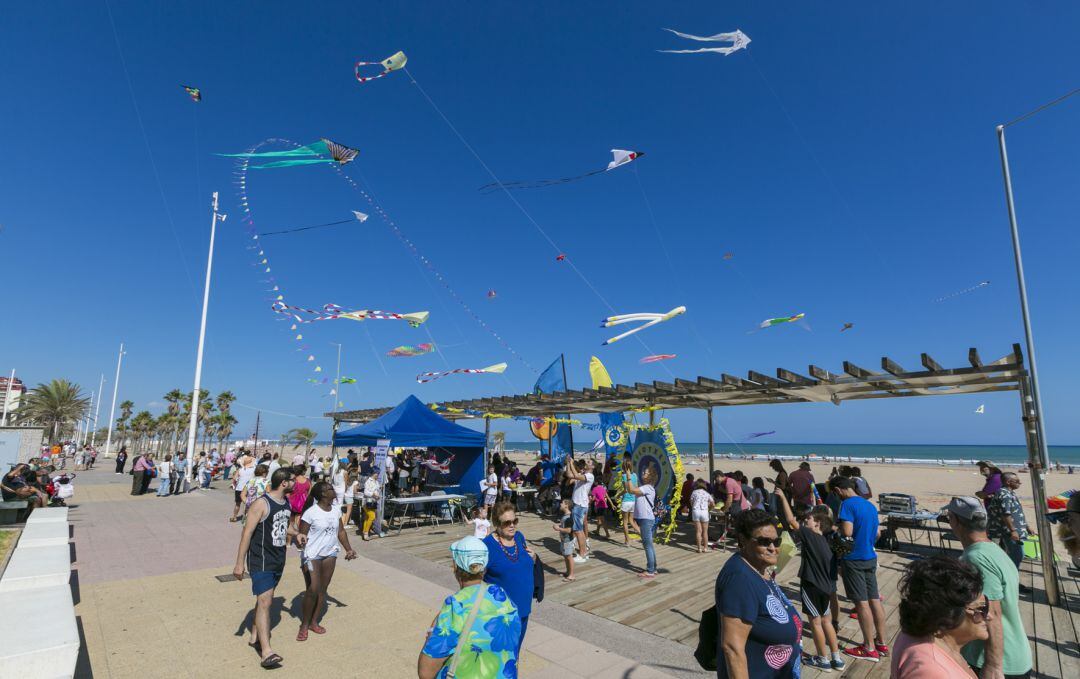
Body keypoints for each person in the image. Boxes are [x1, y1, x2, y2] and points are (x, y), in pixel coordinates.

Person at [945, 496, 1032, 678]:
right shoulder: (993, 549)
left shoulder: (975, 558)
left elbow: (992, 613)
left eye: (949, 518)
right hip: (1012, 650)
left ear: (956, 521)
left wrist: (993, 665)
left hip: (998, 661)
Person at [714, 509, 802, 678]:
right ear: (742, 541)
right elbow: (732, 647)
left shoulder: (759, 569)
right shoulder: (739, 579)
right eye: (764, 542)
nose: (773, 548)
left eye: (776, 542)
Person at [418, 536, 521, 679]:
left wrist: (431, 636)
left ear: (455, 567)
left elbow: (426, 672)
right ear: (484, 567)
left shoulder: (456, 606)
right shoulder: (501, 596)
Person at [232, 468, 298, 669]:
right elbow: (247, 532)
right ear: (284, 483)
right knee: (265, 600)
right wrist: (239, 563)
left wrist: (296, 534)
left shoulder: (285, 502)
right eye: (293, 480)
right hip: (261, 559)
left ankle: (254, 635)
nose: (297, 482)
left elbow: (281, 525)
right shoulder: (262, 503)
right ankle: (266, 651)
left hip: (279, 559)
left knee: (264, 600)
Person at [775, 494, 844, 672]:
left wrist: (783, 497)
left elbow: (790, 520)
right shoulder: (828, 542)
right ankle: (836, 658)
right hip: (827, 588)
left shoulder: (810, 536)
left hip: (812, 586)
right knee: (827, 621)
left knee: (815, 622)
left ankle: (823, 659)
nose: (806, 520)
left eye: (810, 519)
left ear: (818, 524)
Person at [892, 555, 989, 679]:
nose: (989, 616)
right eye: (980, 609)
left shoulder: (913, 635)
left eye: (986, 604)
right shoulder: (932, 671)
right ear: (944, 617)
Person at [833, 476, 888, 662]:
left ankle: (869, 648)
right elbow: (878, 533)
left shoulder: (847, 505)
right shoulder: (869, 505)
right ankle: (881, 642)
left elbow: (847, 533)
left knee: (861, 603)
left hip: (853, 559)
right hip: (870, 557)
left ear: (839, 490)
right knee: (874, 600)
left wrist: (838, 528)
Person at [296, 481, 357, 641]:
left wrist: (348, 549)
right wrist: (300, 542)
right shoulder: (311, 513)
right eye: (330, 488)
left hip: (330, 553)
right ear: (323, 494)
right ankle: (304, 623)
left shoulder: (336, 511)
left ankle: (313, 622)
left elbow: (341, 532)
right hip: (312, 555)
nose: (333, 490)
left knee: (323, 590)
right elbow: (301, 536)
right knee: (313, 589)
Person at [482, 501, 535, 655]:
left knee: (515, 654)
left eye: (515, 521)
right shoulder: (487, 546)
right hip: (501, 615)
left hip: (523, 609)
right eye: (507, 523)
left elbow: (523, 561)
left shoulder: (519, 537)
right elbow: (478, 581)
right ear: (497, 524)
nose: (512, 525)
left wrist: (534, 558)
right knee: (502, 656)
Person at [987, 473, 1029, 580]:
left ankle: (1010, 578)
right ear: (1008, 482)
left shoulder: (1009, 493)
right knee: (1017, 555)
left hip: (1012, 530)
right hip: (1008, 531)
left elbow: (1016, 512)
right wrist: (1013, 531)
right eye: (1017, 481)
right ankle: (1010, 580)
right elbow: (1006, 514)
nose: (1020, 483)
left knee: (1016, 555)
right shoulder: (1004, 495)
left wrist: (1027, 526)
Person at [625, 466, 658, 579]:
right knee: (649, 544)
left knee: (647, 545)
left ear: (651, 476)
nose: (643, 472)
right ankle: (653, 568)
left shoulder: (648, 488)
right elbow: (631, 490)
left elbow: (632, 490)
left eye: (646, 472)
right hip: (646, 518)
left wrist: (629, 478)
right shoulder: (645, 487)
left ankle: (650, 570)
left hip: (646, 519)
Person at [564, 458, 595, 562]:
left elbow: (576, 476)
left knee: (578, 530)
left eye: (589, 462)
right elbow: (569, 475)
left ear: (593, 467)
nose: (586, 462)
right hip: (577, 504)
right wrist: (568, 463)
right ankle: (583, 553)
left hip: (580, 505)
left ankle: (582, 554)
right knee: (578, 530)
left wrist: (572, 463)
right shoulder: (583, 474)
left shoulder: (590, 476)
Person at [553, 498, 577, 582]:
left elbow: (569, 530)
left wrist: (558, 528)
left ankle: (572, 575)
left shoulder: (569, 517)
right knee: (566, 556)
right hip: (564, 540)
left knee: (569, 556)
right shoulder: (565, 516)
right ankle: (568, 572)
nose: (560, 504)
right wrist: (560, 524)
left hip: (568, 540)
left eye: (562, 503)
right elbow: (565, 524)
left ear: (566, 505)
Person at [618, 457, 640, 546]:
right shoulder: (635, 475)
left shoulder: (624, 476)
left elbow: (625, 490)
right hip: (633, 501)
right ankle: (644, 536)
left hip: (626, 501)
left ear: (623, 467)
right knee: (632, 521)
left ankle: (627, 541)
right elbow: (636, 488)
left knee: (625, 522)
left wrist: (618, 495)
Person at [689, 479, 714, 553]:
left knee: (698, 531)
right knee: (705, 531)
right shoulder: (706, 493)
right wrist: (709, 508)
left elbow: (691, 502)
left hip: (696, 511)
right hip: (704, 511)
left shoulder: (694, 492)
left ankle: (699, 548)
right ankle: (705, 548)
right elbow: (713, 503)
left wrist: (694, 507)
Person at [232, 450, 257, 522]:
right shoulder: (254, 470)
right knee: (247, 504)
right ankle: (245, 518)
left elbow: (234, 478)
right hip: (249, 489)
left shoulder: (240, 470)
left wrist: (235, 484)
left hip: (239, 488)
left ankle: (234, 517)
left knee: (237, 504)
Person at [360, 470, 380, 539]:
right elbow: (365, 492)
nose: (378, 475)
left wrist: (377, 496)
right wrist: (373, 494)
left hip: (373, 502)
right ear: (374, 473)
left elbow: (377, 491)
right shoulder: (368, 481)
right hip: (367, 502)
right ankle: (366, 533)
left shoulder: (376, 482)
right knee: (372, 517)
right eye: (377, 473)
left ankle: (364, 532)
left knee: (367, 517)